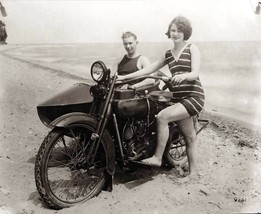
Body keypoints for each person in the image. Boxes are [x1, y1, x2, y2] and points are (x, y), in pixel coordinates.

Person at [117, 16, 205, 179]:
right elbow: (148, 70)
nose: (176, 33)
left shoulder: (192, 48)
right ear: (169, 33)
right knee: (190, 137)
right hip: (180, 99)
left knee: (163, 117)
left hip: (194, 96)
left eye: (179, 30)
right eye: (173, 30)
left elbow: (195, 73)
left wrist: (183, 76)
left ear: (185, 32)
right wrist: (124, 78)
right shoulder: (169, 54)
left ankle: (157, 158)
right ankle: (194, 174)